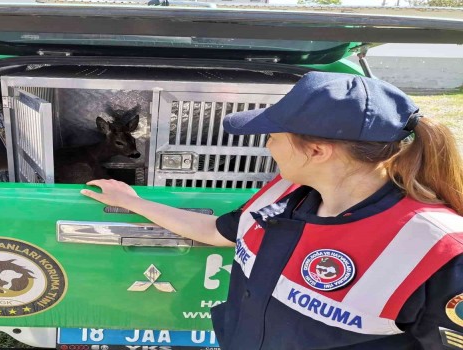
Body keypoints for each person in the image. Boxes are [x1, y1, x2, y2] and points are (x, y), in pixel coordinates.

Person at [81, 71, 463, 349]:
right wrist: (133, 202)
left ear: (316, 151)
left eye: (272, 138)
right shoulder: (282, 193)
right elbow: (216, 231)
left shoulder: (435, 250)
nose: (266, 147)